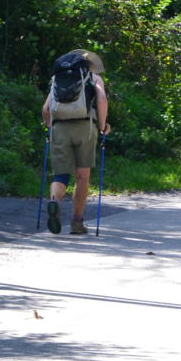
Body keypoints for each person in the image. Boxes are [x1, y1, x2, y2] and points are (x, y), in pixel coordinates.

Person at [42, 49, 110, 235]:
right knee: (82, 176)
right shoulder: (93, 78)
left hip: (60, 128)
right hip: (85, 128)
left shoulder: (58, 79)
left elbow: (46, 109)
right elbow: (102, 99)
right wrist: (102, 126)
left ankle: (55, 202)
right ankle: (76, 222)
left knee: (61, 175)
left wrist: (50, 127)